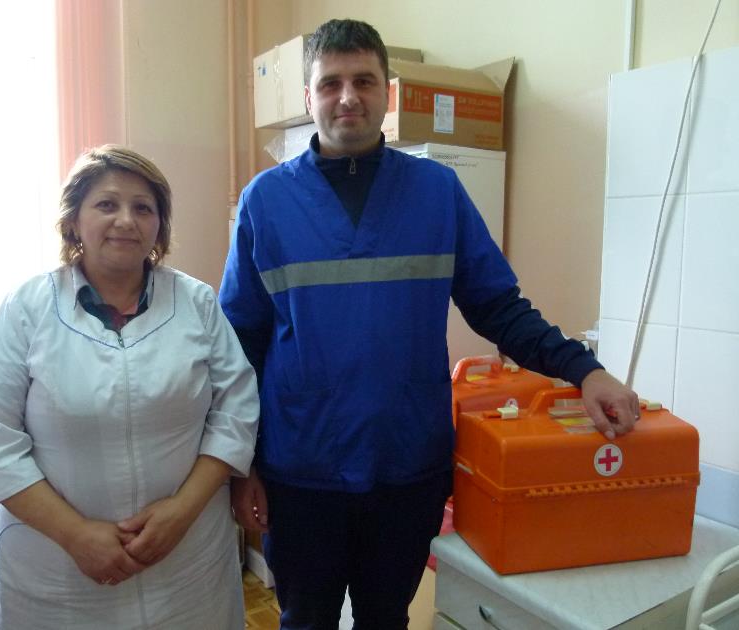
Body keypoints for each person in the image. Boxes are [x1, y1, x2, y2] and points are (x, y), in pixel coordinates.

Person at [219, 18, 641, 630]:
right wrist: (243, 465)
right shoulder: (266, 202)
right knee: (306, 619)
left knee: (386, 618)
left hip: (407, 466)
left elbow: (499, 307)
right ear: (309, 98)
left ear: (387, 94)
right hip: (302, 469)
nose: (347, 97)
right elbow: (239, 346)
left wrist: (586, 370)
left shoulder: (437, 192)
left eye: (364, 81)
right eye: (331, 83)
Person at [0, 145, 259, 629]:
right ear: (73, 220)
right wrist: (76, 535)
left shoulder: (197, 303)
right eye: (106, 204)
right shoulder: (25, 310)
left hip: (187, 563)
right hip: (58, 571)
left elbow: (236, 410)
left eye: (143, 207)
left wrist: (181, 512)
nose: (126, 220)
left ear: (160, 225)